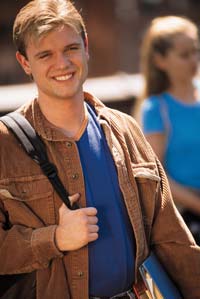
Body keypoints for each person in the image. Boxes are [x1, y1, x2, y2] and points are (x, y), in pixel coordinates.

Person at [0, 2, 199, 298]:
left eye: (70, 49)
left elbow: (171, 237)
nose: (63, 63)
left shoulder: (125, 129)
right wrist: (55, 238)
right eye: (45, 54)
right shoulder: (6, 144)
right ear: (25, 62)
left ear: (86, 47)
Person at [138, 15, 200, 245]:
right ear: (160, 61)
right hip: (187, 215)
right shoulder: (156, 108)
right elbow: (159, 176)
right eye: (184, 55)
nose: (193, 59)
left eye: (196, 51)